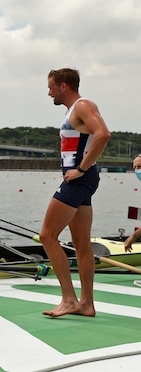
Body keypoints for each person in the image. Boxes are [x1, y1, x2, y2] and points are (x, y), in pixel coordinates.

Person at [38, 68, 110, 318]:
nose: (49, 93)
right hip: (83, 180)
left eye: (51, 87)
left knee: (47, 236)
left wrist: (81, 169)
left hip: (78, 180)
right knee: (81, 244)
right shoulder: (73, 111)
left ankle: (69, 299)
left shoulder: (82, 105)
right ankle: (86, 304)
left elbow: (104, 134)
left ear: (64, 86)